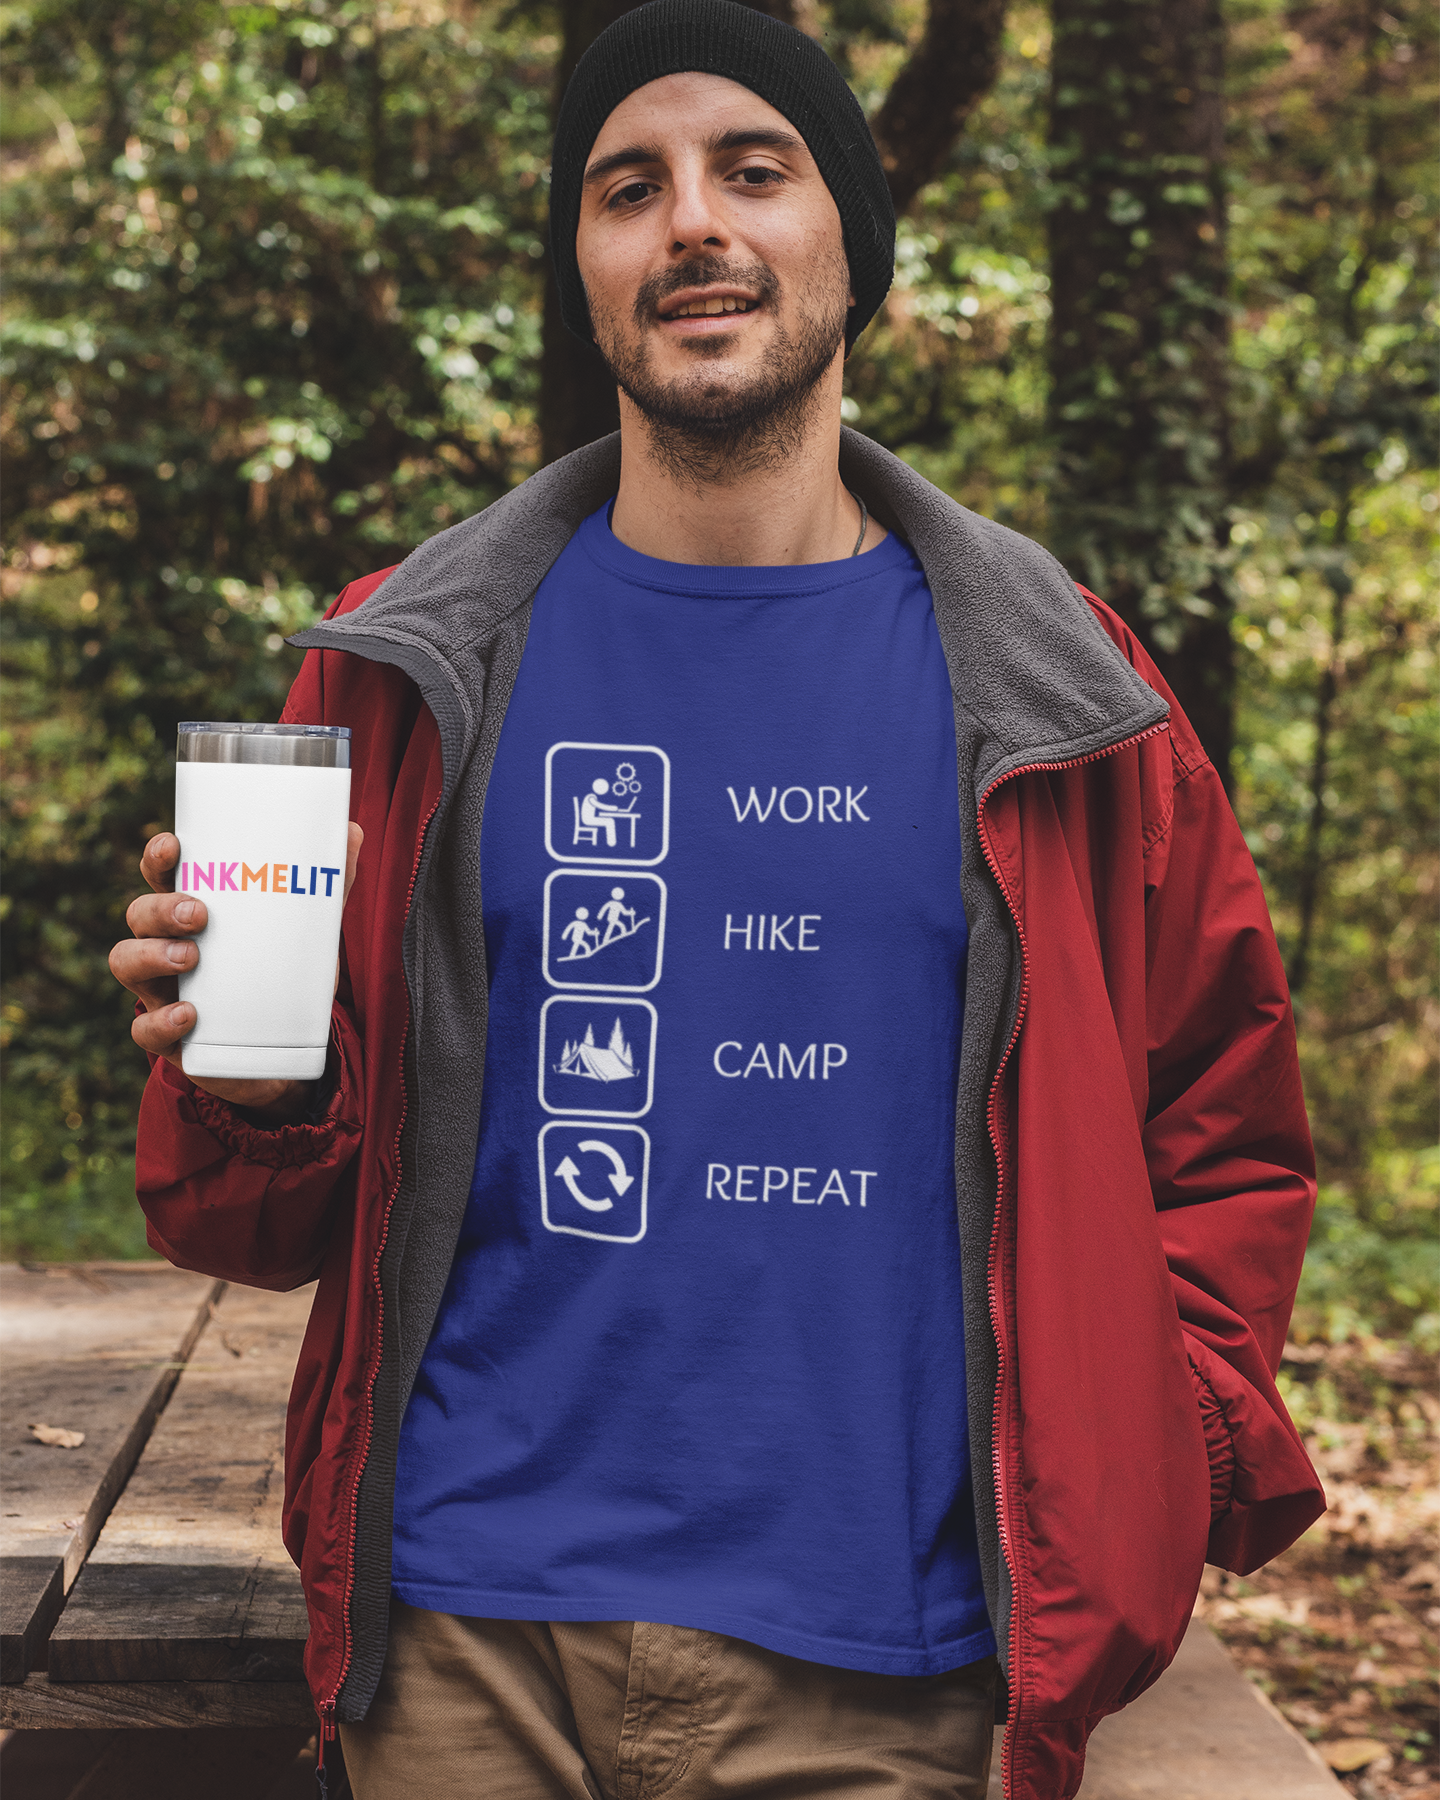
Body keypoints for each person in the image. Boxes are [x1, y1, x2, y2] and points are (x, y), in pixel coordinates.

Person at [108, 3, 1324, 1795]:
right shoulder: (411, 669)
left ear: (852, 239)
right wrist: (244, 1077)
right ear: (584, 266)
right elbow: (261, 1217)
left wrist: (1165, 1450)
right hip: (460, 1640)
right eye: (627, 186)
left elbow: (1225, 1137)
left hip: (892, 1675)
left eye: (755, 170)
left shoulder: (1065, 700)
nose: (692, 222)